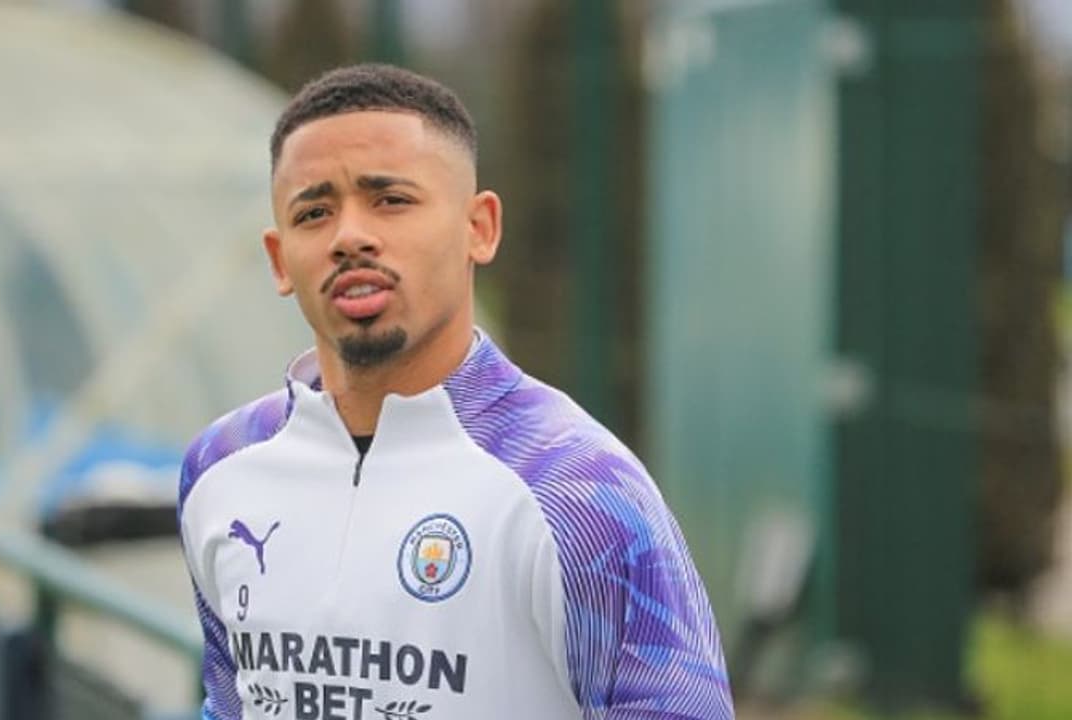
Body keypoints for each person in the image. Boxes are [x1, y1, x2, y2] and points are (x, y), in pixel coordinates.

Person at [177, 64, 734, 720]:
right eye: (314, 212)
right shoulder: (221, 465)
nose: (349, 236)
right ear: (279, 259)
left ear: (480, 228)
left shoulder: (578, 489)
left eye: (391, 200)